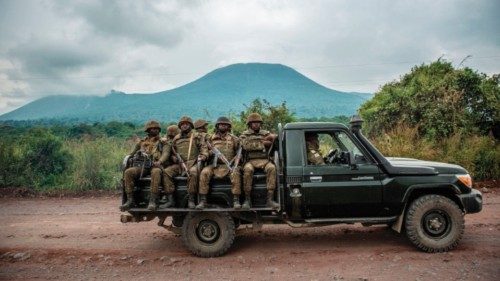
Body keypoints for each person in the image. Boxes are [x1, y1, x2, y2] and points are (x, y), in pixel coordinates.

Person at [120, 120, 169, 211]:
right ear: (148, 130)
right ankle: (130, 200)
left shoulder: (163, 142)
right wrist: (136, 154)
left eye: (156, 128)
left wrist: (160, 161)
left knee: (156, 172)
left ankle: (152, 200)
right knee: (128, 172)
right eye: (152, 129)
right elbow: (132, 153)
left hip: (156, 165)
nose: (154, 130)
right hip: (142, 166)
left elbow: (166, 154)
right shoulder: (142, 142)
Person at [163, 116, 208, 209]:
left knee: (193, 173)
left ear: (191, 126)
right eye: (182, 124)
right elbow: (172, 151)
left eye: (186, 124)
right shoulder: (176, 138)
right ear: (179, 126)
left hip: (193, 163)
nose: (184, 126)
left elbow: (204, 148)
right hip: (180, 165)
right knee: (166, 172)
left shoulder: (196, 136)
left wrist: (203, 156)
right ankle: (170, 199)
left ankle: (191, 199)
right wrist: (173, 157)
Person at [197, 117, 242, 209]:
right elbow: (205, 150)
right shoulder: (210, 138)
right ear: (217, 126)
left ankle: (236, 200)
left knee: (236, 172)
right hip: (214, 166)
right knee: (204, 172)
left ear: (228, 127)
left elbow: (239, 151)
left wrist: (238, 158)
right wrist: (205, 156)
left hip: (229, 165)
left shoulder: (234, 139)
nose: (223, 126)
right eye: (221, 124)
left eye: (225, 125)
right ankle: (203, 200)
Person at [240, 113, 280, 209]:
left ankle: (270, 200)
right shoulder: (244, 135)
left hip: (264, 160)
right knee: (247, 170)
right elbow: (245, 145)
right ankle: (247, 200)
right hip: (251, 160)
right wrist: (263, 143)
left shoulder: (266, 133)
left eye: (258, 123)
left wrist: (273, 137)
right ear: (249, 124)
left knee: (272, 168)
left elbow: (275, 140)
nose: (256, 125)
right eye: (253, 123)